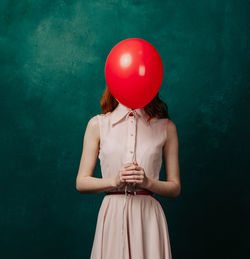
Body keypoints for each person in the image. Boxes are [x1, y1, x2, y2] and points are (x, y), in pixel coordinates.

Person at [76, 86, 181, 259]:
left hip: (148, 216)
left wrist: (148, 182)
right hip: (113, 213)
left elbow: (175, 187)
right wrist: (115, 180)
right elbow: (81, 182)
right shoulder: (98, 124)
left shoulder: (166, 127)